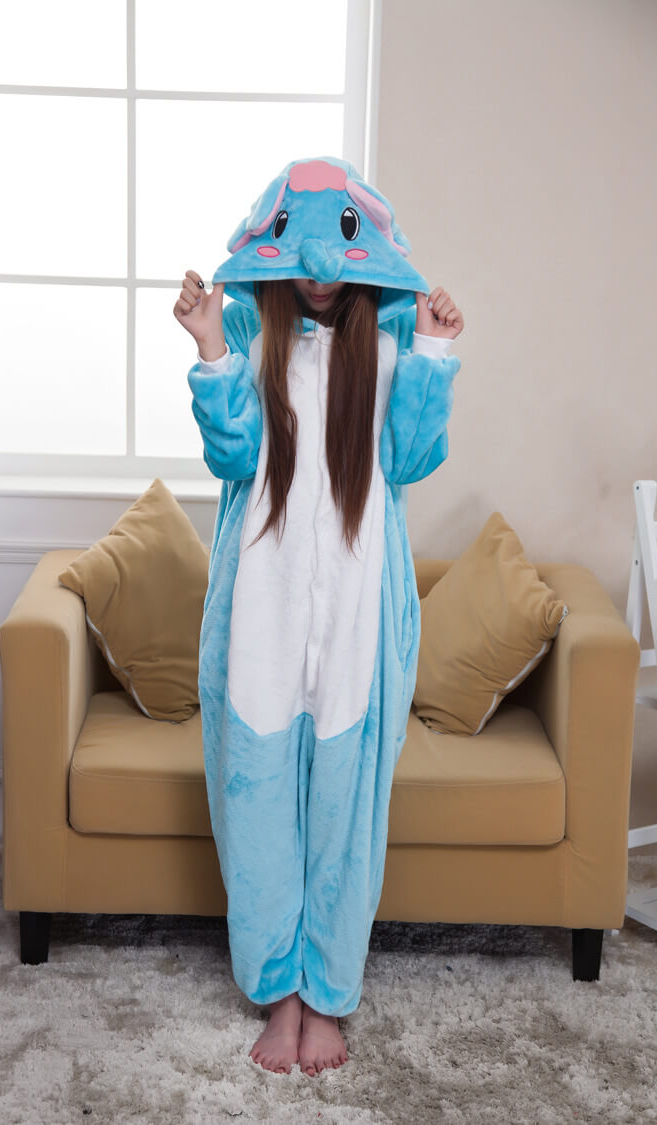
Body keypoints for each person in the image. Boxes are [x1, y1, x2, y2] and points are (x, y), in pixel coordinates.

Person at [173, 157, 464, 1078]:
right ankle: (281, 993)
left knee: (344, 808)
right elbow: (232, 458)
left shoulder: (387, 347)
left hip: (354, 621)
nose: (322, 272)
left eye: (339, 249)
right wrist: (210, 346)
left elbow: (408, 461)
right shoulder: (254, 339)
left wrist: (434, 352)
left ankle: (329, 992)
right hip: (261, 612)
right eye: (301, 253)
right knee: (258, 804)